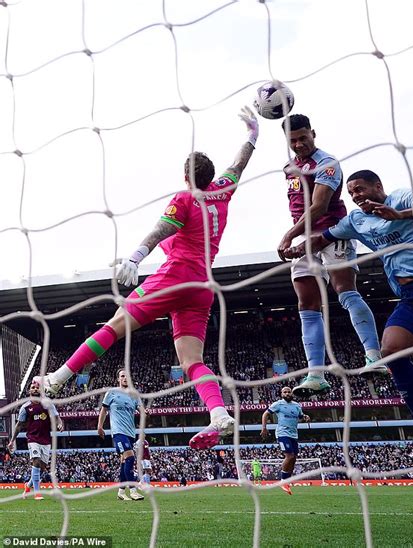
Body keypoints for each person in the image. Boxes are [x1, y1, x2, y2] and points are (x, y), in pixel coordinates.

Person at [36, 107, 260, 451]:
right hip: (203, 288)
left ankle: (56, 379)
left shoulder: (185, 198)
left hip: (176, 274)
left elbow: (163, 228)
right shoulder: (222, 192)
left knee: (114, 325)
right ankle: (218, 413)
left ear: (186, 176)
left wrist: (135, 256)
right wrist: (252, 135)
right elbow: (239, 165)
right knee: (192, 362)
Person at [282, 169, 413, 475]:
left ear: (378, 186)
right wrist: (295, 244)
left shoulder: (402, 197)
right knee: (391, 351)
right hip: (411, 297)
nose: (356, 195)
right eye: (352, 192)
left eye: (360, 189)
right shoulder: (357, 221)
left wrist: (399, 215)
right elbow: (325, 237)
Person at [277, 115, 384, 398]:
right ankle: (315, 375)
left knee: (344, 291)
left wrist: (288, 234)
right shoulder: (289, 168)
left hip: (332, 233)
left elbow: (320, 206)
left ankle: (374, 356)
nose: (299, 144)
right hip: (302, 238)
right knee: (307, 304)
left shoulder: (327, 163)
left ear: (313, 133)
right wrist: (295, 235)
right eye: (293, 140)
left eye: (303, 137)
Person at [7, 380, 64, 500]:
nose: (35, 389)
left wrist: (60, 424)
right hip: (32, 438)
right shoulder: (26, 407)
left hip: (46, 440)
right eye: (33, 387)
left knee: (41, 467)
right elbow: (19, 425)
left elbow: (57, 417)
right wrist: (12, 440)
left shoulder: (47, 404)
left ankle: (28, 486)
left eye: (37, 387)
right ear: (29, 391)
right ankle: (37, 493)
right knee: (36, 461)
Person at [98, 368, 144, 501]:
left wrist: (145, 412)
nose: (125, 378)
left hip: (130, 433)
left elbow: (142, 410)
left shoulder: (134, 395)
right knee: (130, 458)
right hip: (118, 432)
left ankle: (121, 492)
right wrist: (100, 426)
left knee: (124, 461)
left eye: (127, 376)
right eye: (122, 376)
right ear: (118, 379)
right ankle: (133, 490)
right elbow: (104, 410)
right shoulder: (112, 393)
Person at [261, 386, 310, 494]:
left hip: (293, 435)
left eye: (289, 392)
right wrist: (264, 428)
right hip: (282, 433)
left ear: (292, 393)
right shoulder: (278, 404)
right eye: (285, 392)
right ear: (281, 394)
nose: (287, 394)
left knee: (294, 459)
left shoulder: (297, 406)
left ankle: (287, 481)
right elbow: (266, 413)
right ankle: (283, 481)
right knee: (290, 456)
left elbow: (301, 416)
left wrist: (305, 417)